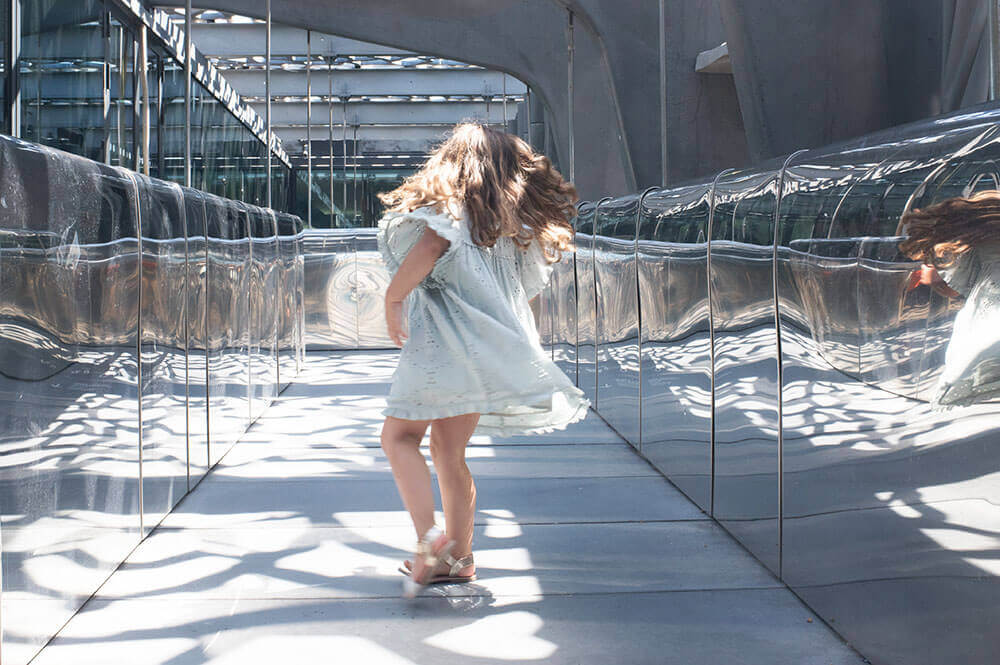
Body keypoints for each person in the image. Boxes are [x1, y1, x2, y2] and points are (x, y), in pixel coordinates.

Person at [375, 123, 591, 598]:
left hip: (440, 349)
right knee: (450, 453)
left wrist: (394, 300)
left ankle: (430, 536)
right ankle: (460, 556)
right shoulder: (509, 229)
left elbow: (430, 248)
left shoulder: (447, 211)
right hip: (479, 354)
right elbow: (521, 296)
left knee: (399, 436)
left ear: (454, 161)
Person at [899, 189, 1000, 408]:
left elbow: (959, 287)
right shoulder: (986, 240)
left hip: (988, 320)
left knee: (967, 378)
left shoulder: (983, 237)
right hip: (989, 318)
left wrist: (934, 276)